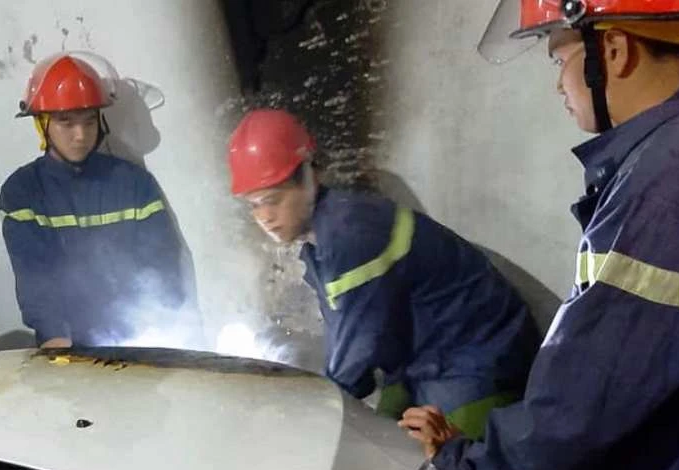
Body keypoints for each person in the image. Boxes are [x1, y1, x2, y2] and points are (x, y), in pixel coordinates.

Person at [399, 1, 679, 470]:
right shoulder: (673, 155)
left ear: (614, 50)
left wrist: (463, 457)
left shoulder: (668, 180)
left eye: (560, 59)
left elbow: (583, 398)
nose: (559, 84)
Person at [227, 108, 541, 438]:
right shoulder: (321, 243)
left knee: (438, 462)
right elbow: (348, 342)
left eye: (273, 200)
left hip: (479, 355)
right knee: (379, 434)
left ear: (309, 177)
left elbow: (356, 347)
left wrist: (319, 410)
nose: (264, 217)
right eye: (254, 205)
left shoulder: (349, 233)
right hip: (424, 358)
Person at [0, 52, 186, 349]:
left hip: (139, 333)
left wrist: (160, 318)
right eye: (66, 122)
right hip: (66, 342)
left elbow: (161, 260)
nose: (80, 135)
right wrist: (55, 337)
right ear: (41, 124)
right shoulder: (23, 191)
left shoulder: (135, 183)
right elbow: (34, 274)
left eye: (89, 122)